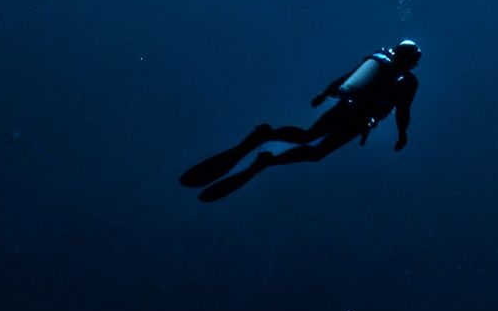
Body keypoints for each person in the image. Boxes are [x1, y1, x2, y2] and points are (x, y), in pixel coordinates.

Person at [180, 41, 421, 202]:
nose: (416, 62)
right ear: (409, 58)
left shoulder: (382, 65)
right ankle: (266, 158)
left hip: (345, 110)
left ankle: (265, 139)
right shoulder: (408, 82)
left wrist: (324, 94)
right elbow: (403, 111)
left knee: (307, 137)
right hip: (357, 120)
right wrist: (402, 135)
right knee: (315, 152)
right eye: (415, 58)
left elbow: (347, 78)